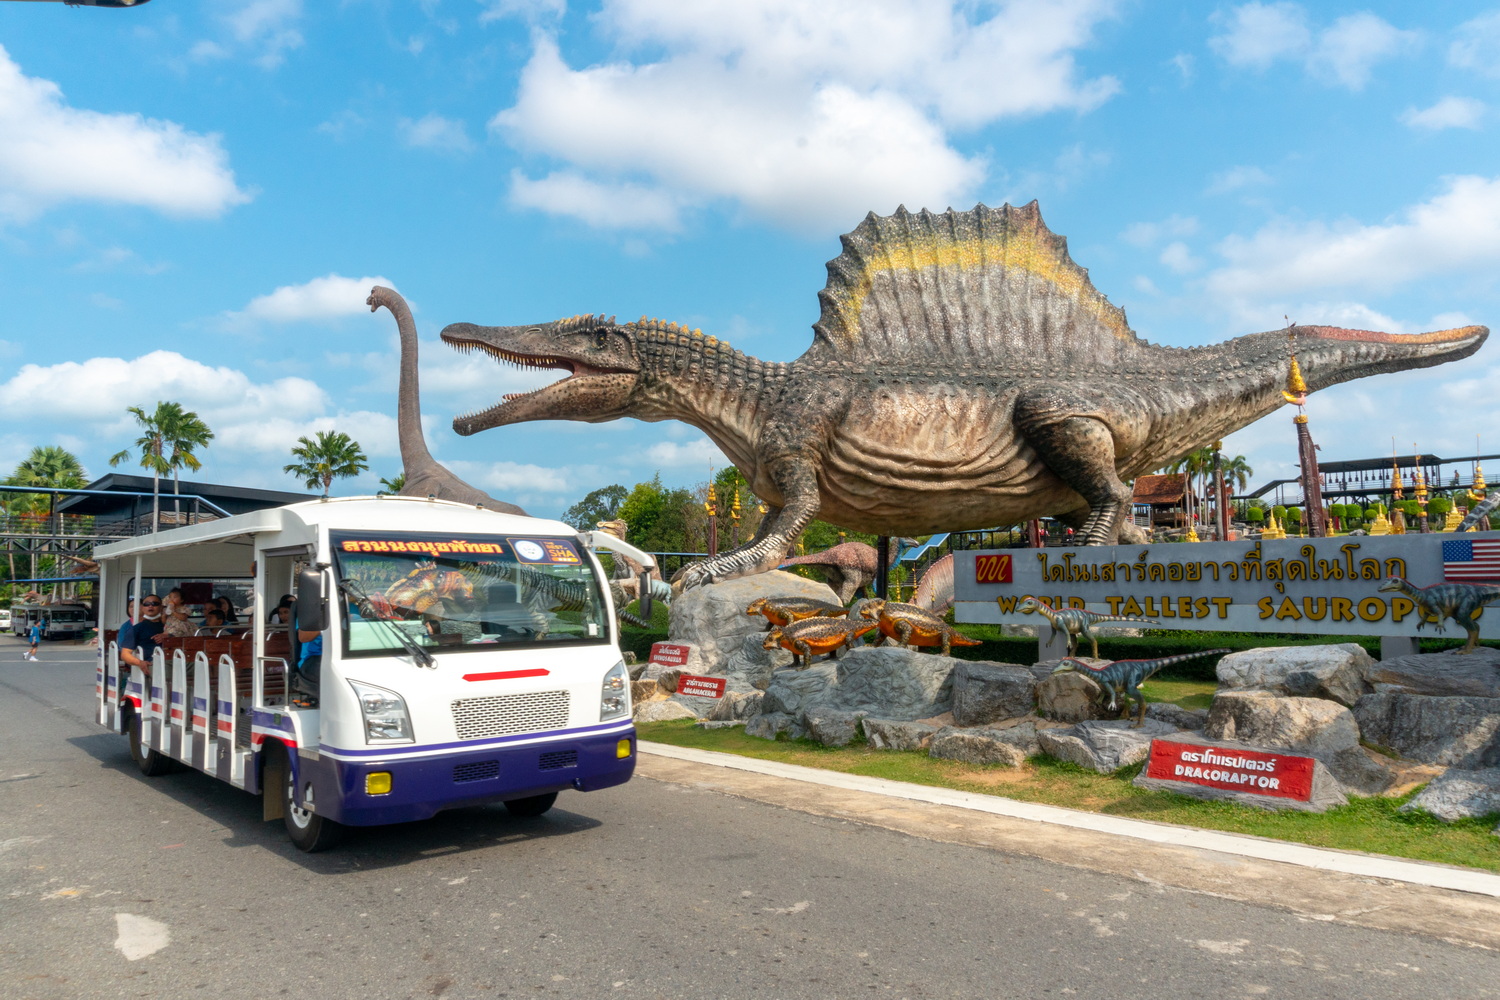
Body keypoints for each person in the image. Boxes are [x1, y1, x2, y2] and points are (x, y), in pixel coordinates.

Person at [118, 594, 167, 676]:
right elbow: (125, 654)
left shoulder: (170, 626)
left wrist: (167, 636)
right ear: (142, 608)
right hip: (152, 663)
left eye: (155, 604)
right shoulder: (136, 629)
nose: (150, 606)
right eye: (147, 604)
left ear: (161, 607)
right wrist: (140, 662)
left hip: (174, 659)